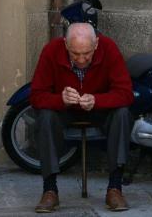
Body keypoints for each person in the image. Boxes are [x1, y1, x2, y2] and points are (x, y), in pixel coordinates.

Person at [30, 22, 134, 213]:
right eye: (75, 53)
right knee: (44, 117)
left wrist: (97, 100)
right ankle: (49, 189)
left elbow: (126, 93)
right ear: (65, 45)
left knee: (123, 114)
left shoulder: (108, 48)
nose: (81, 59)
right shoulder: (51, 51)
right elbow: (36, 96)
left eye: (87, 53)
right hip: (65, 111)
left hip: (99, 110)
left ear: (96, 45)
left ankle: (115, 187)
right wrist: (60, 99)